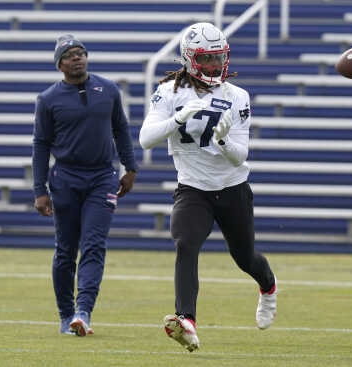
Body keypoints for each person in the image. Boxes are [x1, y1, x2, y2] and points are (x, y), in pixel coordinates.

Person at [139, 23, 277, 352]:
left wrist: (224, 141)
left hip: (232, 187)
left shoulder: (237, 95)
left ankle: (268, 287)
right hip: (193, 188)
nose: (215, 65)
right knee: (186, 244)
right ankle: (186, 320)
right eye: (207, 58)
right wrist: (177, 119)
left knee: (244, 258)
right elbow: (145, 139)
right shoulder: (170, 92)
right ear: (189, 59)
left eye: (219, 57)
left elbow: (240, 155)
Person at [33, 34, 138, 337]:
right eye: (70, 55)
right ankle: (66, 315)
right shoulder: (48, 99)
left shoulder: (108, 89)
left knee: (93, 245)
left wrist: (130, 168)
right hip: (65, 179)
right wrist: (39, 190)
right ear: (60, 64)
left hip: (102, 177)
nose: (77, 58)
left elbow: (120, 128)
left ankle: (83, 312)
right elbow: (40, 145)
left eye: (81, 53)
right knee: (66, 251)